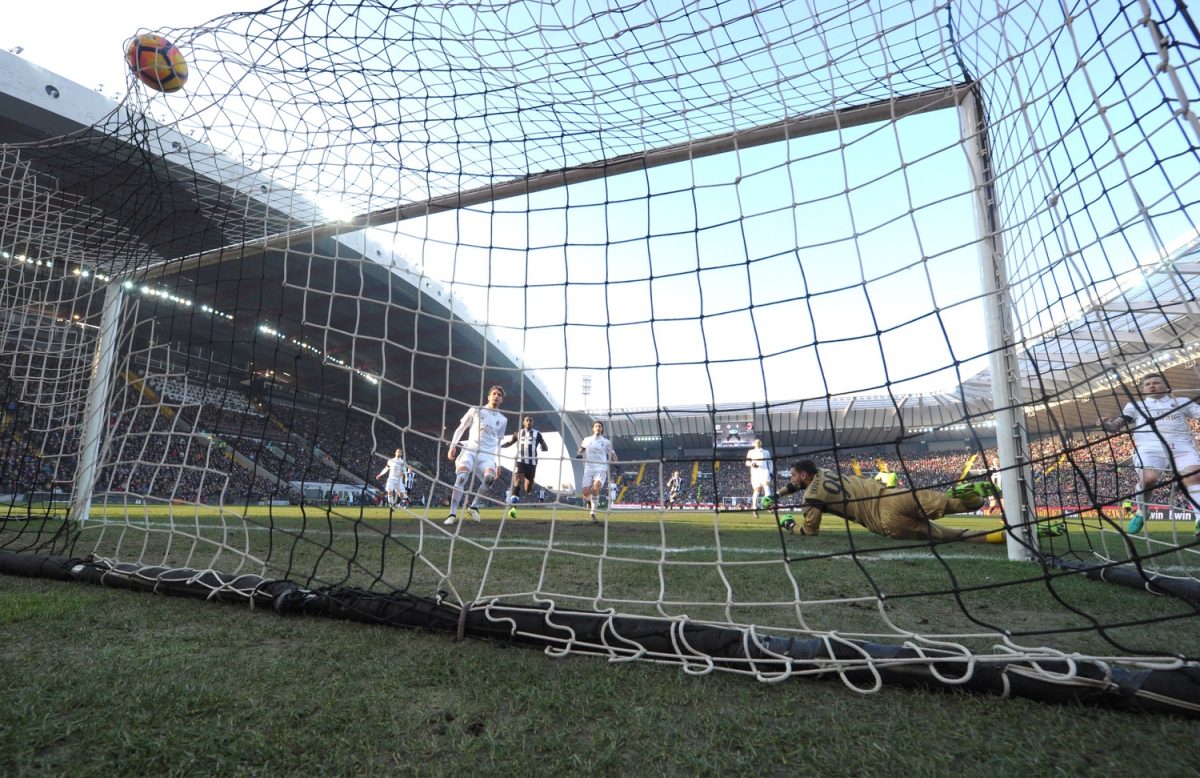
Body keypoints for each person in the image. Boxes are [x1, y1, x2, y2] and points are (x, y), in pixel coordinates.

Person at [760, 459, 1064, 543]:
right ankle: (974, 497)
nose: (791, 479)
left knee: (957, 536)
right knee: (954, 504)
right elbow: (796, 485)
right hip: (894, 496)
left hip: (884, 522)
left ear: (803, 475)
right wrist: (777, 494)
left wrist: (787, 523)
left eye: (793, 475)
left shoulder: (812, 497)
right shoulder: (824, 472)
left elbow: (810, 530)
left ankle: (1016, 536)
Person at [1099, 372, 1200, 535]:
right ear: (1143, 389)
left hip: (1181, 448)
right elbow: (1115, 427)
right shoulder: (1135, 405)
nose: (1152, 386)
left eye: (1156, 382)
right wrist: (1106, 425)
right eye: (1148, 384)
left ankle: (1199, 518)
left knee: (1194, 477)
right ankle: (1143, 511)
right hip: (1149, 448)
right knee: (1149, 479)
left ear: (1166, 386)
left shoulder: (1181, 402)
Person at [444, 385, 509, 525]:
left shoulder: (503, 420)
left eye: (499, 395)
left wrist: (499, 463)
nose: (496, 396)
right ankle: (452, 514)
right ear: (489, 396)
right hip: (470, 450)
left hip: (487, 456)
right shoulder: (476, 410)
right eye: (494, 393)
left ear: (501, 400)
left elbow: (498, 443)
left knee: (489, 479)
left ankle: (473, 507)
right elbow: (461, 428)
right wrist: (452, 446)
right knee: (461, 477)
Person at [500, 415, 548, 510]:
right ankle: (513, 507)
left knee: (528, 488)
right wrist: (499, 446)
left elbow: (545, 446)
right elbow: (509, 442)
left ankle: (525, 488)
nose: (529, 422)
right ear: (523, 423)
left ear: (533, 423)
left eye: (530, 420)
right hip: (520, 461)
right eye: (527, 420)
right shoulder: (518, 433)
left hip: (532, 463)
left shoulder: (537, 434)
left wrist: (544, 448)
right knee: (517, 481)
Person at [576, 420, 618, 522]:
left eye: (600, 426)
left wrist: (616, 463)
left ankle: (593, 513)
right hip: (589, 468)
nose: (598, 427)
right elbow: (581, 450)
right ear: (593, 428)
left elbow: (612, 454)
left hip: (601, 468)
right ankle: (589, 501)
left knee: (595, 488)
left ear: (602, 429)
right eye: (596, 426)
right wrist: (578, 454)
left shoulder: (606, 442)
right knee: (585, 492)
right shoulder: (587, 440)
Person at [745, 438, 773, 517]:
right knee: (757, 490)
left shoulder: (766, 452)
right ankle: (754, 508)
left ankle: (768, 505)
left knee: (766, 486)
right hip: (755, 473)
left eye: (759, 442)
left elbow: (770, 462)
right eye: (756, 442)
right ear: (754, 444)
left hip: (764, 471)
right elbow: (747, 462)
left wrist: (771, 472)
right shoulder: (750, 452)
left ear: (761, 443)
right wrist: (752, 464)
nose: (757, 443)